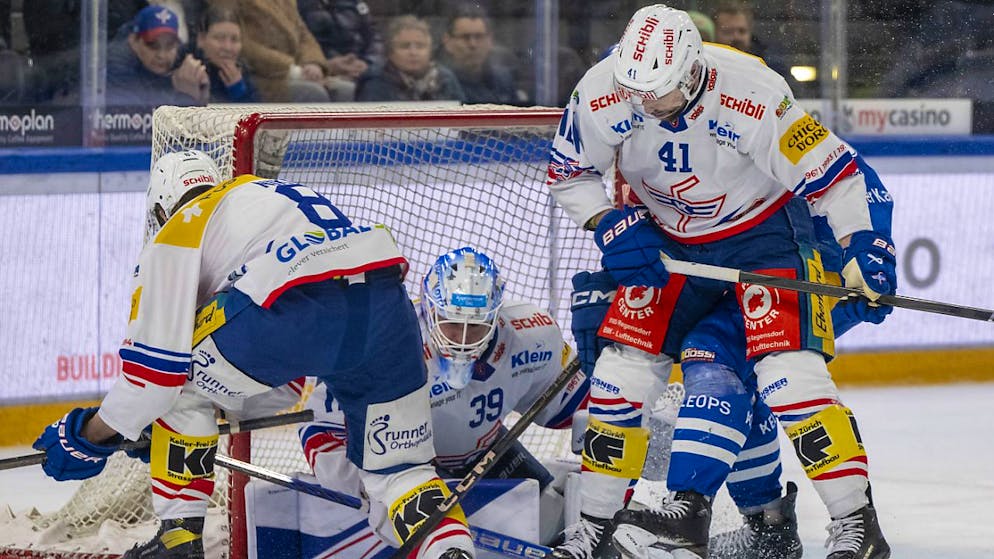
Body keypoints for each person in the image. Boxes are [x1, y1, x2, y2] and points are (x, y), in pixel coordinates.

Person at [546, 5, 895, 559]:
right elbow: (569, 172)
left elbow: (837, 176)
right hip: (665, 242)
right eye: (632, 90)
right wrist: (607, 222)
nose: (640, 105)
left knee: (789, 374)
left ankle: (857, 526)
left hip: (763, 239)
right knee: (618, 378)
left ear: (690, 72)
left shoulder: (755, 91)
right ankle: (596, 529)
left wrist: (864, 245)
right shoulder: (601, 91)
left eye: (655, 94)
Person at [31, 150, 474, 559]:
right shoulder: (260, 194)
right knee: (401, 474)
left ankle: (178, 542)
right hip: (386, 309)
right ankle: (451, 551)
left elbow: (154, 377)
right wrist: (180, 430)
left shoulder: (179, 227)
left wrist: (90, 435)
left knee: (176, 383)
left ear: (161, 209)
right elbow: (287, 386)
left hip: (290, 308)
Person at [296, 247, 592, 552]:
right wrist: (363, 485)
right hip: (400, 467)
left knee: (553, 521)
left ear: (494, 316)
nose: (462, 339)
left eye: (475, 325)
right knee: (424, 545)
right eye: (452, 322)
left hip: (484, 453)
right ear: (429, 310)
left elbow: (575, 408)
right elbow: (320, 426)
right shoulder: (384, 343)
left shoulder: (530, 335)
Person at [105, 5, 209, 106]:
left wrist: (202, 95)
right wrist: (186, 97)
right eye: (152, 45)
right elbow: (140, 120)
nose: (162, 55)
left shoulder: (184, 65)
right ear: (133, 42)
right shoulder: (117, 70)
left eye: (170, 46)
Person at [235, 0, 337, 102]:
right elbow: (242, 45)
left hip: (298, 71)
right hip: (261, 77)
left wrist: (313, 64)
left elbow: (303, 35)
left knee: (345, 91)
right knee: (314, 93)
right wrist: (294, 71)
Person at [355, 14, 465, 102]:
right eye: (405, 46)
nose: (413, 52)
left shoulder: (446, 79)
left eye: (420, 46)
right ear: (390, 52)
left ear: (430, 50)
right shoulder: (374, 83)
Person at [436, 6, 527, 105]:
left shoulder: (504, 80)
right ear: (447, 41)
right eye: (465, 37)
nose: (473, 44)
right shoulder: (439, 83)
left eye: (479, 37)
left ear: (490, 40)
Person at [298, 0, 385, 95]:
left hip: (359, 67)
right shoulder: (296, 4)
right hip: (320, 69)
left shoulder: (355, 3)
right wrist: (325, 65)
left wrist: (367, 63)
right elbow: (300, 43)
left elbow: (373, 38)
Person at [194, 2, 259, 103]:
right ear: (201, 39)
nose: (227, 47)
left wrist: (239, 91)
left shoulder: (244, 72)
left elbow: (257, 114)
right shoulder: (188, 70)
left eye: (234, 39)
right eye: (219, 38)